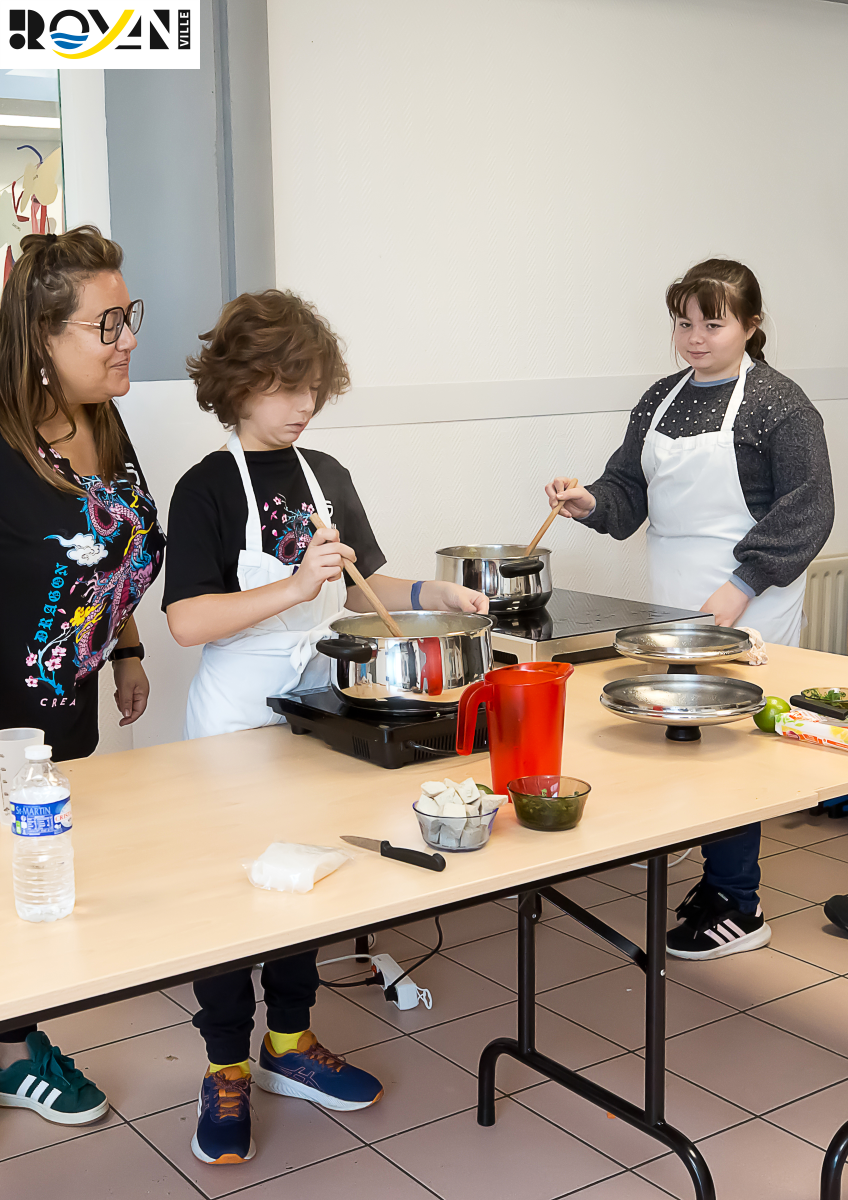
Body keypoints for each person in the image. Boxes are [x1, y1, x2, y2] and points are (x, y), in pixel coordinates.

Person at [163, 289, 488, 1166]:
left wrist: (435, 593)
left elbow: (365, 583)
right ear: (238, 384)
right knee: (236, 898)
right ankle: (225, 1066)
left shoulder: (326, 474)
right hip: (234, 717)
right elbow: (187, 622)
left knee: (304, 876)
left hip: (315, 701)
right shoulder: (204, 488)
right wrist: (294, 586)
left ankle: (290, 1045)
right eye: (285, 385)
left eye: (313, 385)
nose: (303, 403)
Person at [545, 258, 834, 961]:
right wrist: (590, 501)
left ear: (751, 326)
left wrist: (741, 586)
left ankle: (739, 902)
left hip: (749, 598)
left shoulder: (781, 404)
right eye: (684, 324)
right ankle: (711, 871)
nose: (696, 339)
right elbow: (627, 489)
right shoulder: (660, 398)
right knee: (683, 737)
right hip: (675, 598)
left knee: (732, 750)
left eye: (714, 324)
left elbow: (809, 509)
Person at [0, 227, 165, 1122]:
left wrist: (126, 648)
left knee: (37, 884)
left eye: (127, 316)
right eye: (107, 325)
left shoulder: (102, 416)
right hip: (4, 722)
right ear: (41, 336)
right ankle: (13, 1056)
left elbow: (114, 550)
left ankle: (13, 1040)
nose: (127, 338)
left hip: (65, 711)